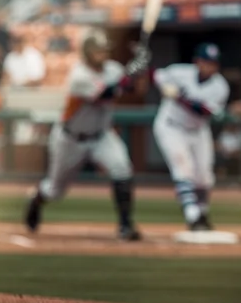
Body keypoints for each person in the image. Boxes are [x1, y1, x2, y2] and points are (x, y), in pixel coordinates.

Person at [24, 30, 149, 241]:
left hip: (101, 136)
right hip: (70, 139)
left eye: (104, 50)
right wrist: (131, 73)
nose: (102, 54)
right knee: (55, 191)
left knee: (122, 169)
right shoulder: (78, 76)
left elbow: (133, 89)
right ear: (87, 53)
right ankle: (36, 199)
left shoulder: (113, 69)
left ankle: (125, 225)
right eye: (97, 51)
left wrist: (142, 68)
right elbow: (105, 95)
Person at [152, 43, 230, 231]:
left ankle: (202, 213)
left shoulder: (220, 87)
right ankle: (192, 215)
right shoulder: (179, 72)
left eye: (212, 63)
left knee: (204, 177)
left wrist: (178, 96)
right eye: (205, 62)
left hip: (198, 130)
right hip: (171, 127)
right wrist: (161, 83)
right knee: (183, 169)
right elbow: (155, 75)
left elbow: (202, 110)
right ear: (197, 61)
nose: (208, 66)